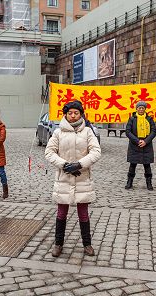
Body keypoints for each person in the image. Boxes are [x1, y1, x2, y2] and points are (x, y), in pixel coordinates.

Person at [45, 100, 101, 257]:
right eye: (70, 113)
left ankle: (87, 244)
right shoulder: (58, 132)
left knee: (83, 213)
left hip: (82, 178)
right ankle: (58, 244)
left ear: (81, 114)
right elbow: (49, 152)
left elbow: (96, 151)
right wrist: (64, 165)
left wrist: (79, 165)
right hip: (64, 178)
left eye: (76, 112)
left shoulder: (88, 132)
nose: (73, 115)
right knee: (61, 213)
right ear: (66, 114)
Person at [124, 101, 156, 190]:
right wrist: (138, 141)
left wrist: (145, 141)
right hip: (134, 145)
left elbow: (153, 132)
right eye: (139, 108)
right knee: (132, 164)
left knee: (147, 165)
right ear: (137, 109)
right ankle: (129, 182)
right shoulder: (132, 119)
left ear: (145, 109)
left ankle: (149, 183)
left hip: (147, 145)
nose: (141, 109)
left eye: (143, 108)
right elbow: (128, 131)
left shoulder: (149, 119)